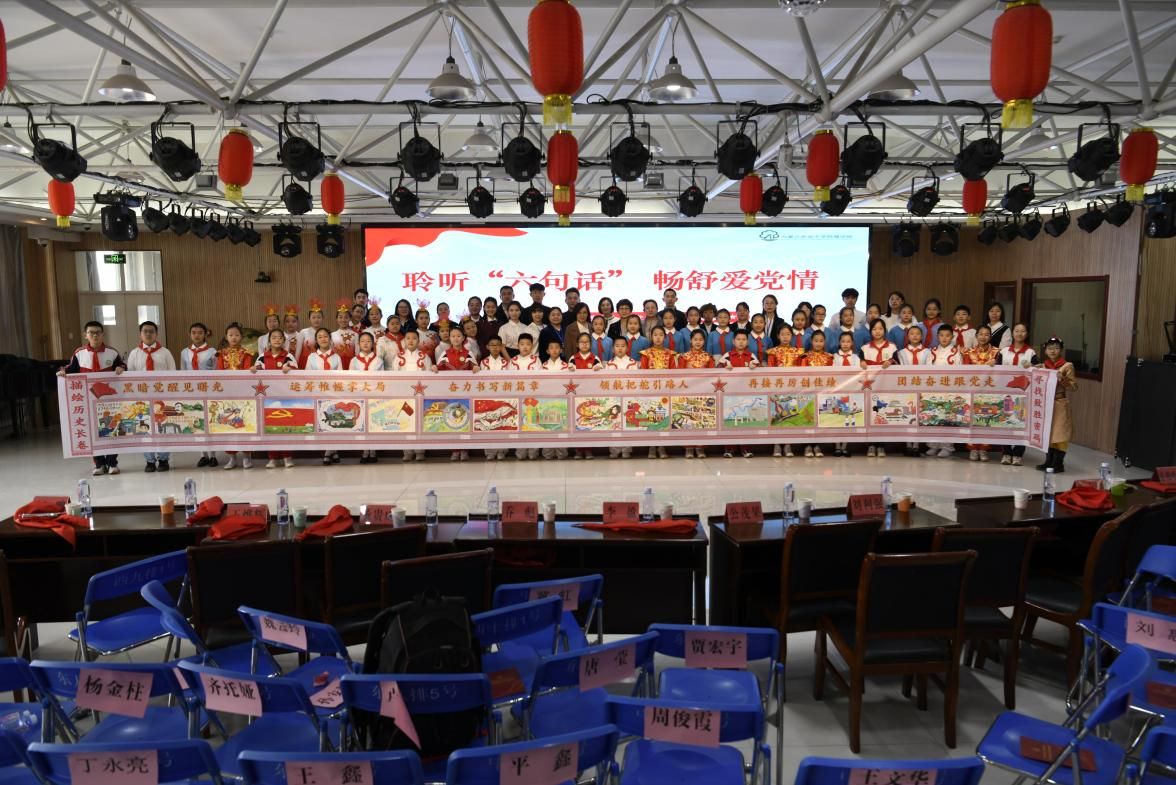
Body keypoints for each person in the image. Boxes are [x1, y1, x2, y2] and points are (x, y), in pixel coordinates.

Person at [60, 321, 127, 476]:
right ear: (86, 335)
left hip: (108, 401)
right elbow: (70, 369)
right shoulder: (79, 353)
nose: (95, 335)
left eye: (98, 332)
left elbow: (122, 366)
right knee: (92, 432)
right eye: (91, 332)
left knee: (111, 429)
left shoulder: (112, 352)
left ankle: (112, 463)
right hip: (88, 401)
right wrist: (62, 372)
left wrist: (121, 368)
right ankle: (99, 464)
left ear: (103, 334)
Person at [125, 321, 176, 473]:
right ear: (140, 334)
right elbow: (129, 377)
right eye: (145, 331)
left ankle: (164, 459)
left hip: (162, 398)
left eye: (151, 331)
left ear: (156, 334)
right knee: (144, 429)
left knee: (163, 429)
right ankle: (149, 460)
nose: (148, 334)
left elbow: (173, 374)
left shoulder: (165, 353)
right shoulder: (134, 353)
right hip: (141, 400)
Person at [251, 328, 296, 469]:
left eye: (280, 337)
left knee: (285, 427)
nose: (277, 340)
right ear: (269, 341)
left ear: (284, 340)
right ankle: (272, 458)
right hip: (267, 400)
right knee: (269, 428)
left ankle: (287, 457)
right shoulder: (262, 357)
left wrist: (291, 369)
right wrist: (253, 369)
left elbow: (297, 371)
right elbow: (256, 370)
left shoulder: (288, 356)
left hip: (285, 399)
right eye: (274, 337)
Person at [216, 323, 254, 471]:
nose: (234, 337)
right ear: (226, 337)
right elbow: (219, 372)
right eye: (231, 335)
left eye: (237, 335)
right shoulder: (221, 354)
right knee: (228, 423)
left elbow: (247, 372)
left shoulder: (247, 353)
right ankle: (231, 457)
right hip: (226, 394)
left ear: (241, 337)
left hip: (243, 393)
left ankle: (247, 456)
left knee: (244, 423)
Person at [392, 330, 434, 463]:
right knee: (405, 421)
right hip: (403, 395)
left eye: (414, 338)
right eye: (408, 338)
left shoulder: (424, 356)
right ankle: (407, 451)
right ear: (404, 341)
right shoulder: (398, 357)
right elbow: (394, 376)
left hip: (420, 396)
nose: (411, 341)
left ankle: (420, 451)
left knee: (420, 422)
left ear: (418, 341)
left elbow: (429, 377)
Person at [999, 323, 1037, 465]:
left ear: (1027, 334)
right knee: (1005, 422)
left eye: (1023, 331)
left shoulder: (1031, 353)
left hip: (1023, 394)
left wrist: (1032, 367)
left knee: (1021, 422)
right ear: (1013, 333)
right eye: (1017, 331)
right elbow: (996, 369)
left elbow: (1038, 372)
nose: (1019, 334)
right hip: (1006, 393)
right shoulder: (1003, 351)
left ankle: (1018, 454)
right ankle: (1006, 453)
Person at [437, 326, 476, 462]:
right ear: (449, 338)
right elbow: (438, 368)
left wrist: (476, 367)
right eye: (453, 336)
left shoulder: (469, 354)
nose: (456, 338)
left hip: (465, 394)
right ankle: (454, 450)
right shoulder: (445, 354)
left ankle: (465, 450)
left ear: (463, 338)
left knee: (465, 421)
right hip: (450, 395)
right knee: (451, 421)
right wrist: (434, 367)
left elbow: (475, 367)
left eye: (458, 336)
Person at [858, 318, 897, 458]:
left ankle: (881, 445)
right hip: (870, 388)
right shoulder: (864, 348)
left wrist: (891, 361)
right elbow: (859, 363)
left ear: (885, 330)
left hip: (886, 387)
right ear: (870, 331)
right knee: (870, 414)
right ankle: (871, 445)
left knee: (883, 414)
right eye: (874, 329)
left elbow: (898, 362)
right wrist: (861, 362)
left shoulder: (892, 347)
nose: (877, 331)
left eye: (880, 328)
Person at [306, 327, 344, 466]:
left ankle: (329, 451)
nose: (323, 339)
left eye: (326, 336)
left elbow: (341, 377)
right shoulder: (311, 357)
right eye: (320, 337)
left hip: (333, 394)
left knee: (333, 421)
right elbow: (307, 377)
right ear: (316, 340)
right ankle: (332, 450)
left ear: (330, 339)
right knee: (323, 422)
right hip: (318, 394)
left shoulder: (336, 357)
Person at [182, 322, 219, 468]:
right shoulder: (184, 352)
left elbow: (217, 371)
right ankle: (203, 455)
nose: (196, 335)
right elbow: (183, 372)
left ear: (205, 334)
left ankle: (213, 455)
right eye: (194, 332)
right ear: (190, 334)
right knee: (197, 423)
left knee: (210, 423)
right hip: (192, 392)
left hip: (209, 391)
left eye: (200, 333)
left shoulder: (213, 351)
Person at [1038, 336, 1076, 474]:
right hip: (1046, 404)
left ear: (1061, 350)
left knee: (1060, 434)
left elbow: (1074, 387)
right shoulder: (1043, 366)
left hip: (1060, 403)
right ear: (1045, 351)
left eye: (1056, 348)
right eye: (1050, 348)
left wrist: (1063, 379)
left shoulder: (1067, 366)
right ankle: (1048, 461)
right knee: (1048, 433)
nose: (1053, 351)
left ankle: (1058, 464)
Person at [925, 325, 964, 459]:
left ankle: (947, 446)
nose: (944, 338)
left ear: (952, 337)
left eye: (947, 335)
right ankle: (933, 445)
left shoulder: (956, 352)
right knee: (934, 417)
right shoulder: (932, 351)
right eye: (941, 335)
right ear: (937, 337)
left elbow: (959, 371)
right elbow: (927, 370)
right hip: (934, 390)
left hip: (949, 390)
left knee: (948, 418)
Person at [963, 325, 1000, 462]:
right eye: (981, 334)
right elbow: (965, 371)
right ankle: (973, 448)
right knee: (972, 419)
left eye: (986, 334)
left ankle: (984, 449)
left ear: (990, 336)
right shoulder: (969, 352)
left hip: (990, 391)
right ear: (976, 336)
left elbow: (1002, 369)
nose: (983, 337)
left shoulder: (997, 352)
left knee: (987, 419)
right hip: (973, 390)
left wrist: (996, 363)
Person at [767, 324, 805, 458]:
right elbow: (770, 370)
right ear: (778, 336)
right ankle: (776, 444)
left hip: (793, 389)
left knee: (790, 416)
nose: (785, 337)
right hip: (777, 389)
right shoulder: (772, 352)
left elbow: (801, 371)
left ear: (792, 336)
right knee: (777, 416)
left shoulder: (798, 352)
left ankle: (788, 444)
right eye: (782, 334)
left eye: (788, 334)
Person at [676, 329, 715, 459]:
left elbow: (712, 376)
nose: (698, 342)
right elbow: (679, 375)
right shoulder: (684, 357)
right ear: (690, 341)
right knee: (687, 419)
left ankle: (700, 447)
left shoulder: (708, 357)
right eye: (695, 339)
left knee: (702, 420)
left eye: (701, 339)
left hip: (704, 394)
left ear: (704, 341)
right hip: (687, 393)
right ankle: (688, 447)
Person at [719, 329, 757, 459]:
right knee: (730, 421)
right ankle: (729, 448)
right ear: (733, 341)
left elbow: (761, 374)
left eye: (744, 339)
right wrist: (724, 367)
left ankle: (745, 448)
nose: (741, 342)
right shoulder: (727, 356)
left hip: (747, 397)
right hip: (730, 396)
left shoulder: (751, 356)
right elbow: (716, 371)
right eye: (738, 339)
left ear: (747, 341)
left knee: (745, 422)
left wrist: (755, 367)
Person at [894, 325, 931, 457]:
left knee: (919, 417)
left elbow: (929, 370)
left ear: (922, 336)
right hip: (907, 388)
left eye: (917, 334)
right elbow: (901, 370)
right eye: (912, 334)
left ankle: (916, 445)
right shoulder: (901, 353)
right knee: (907, 416)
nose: (915, 336)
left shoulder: (927, 352)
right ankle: (908, 444)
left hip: (921, 388)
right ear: (908, 337)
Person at [801, 330, 833, 458]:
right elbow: (802, 375)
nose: (818, 343)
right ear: (811, 342)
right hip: (808, 393)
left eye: (821, 341)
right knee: (808, 418)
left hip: (823, 393)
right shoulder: (805, 357)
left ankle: (818, 445)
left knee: (821, 419)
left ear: (824, 342)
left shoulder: (829, 358)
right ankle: (807, 445)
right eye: (816, 341)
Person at [831, 332, 858, 458]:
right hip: (838, 392)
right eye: (843, 341)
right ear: (839, 343)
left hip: (851, 392)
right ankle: (837, 446)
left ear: (852, 343)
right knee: (837, 419)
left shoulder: (856, 358)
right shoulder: (834, 357)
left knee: (849, 418)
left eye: (848, 341)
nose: (845, 344)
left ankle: (845, 446)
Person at [296, 300, 326, 368]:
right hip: (305, 361)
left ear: (322, 318)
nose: (316, 320)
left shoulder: (325, 333)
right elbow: (298, 351)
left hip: (320, 361)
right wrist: (295, 365)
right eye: (313, 317)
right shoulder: (303, 332)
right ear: (309, 319)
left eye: (319, 317)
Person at [332, 301, 358, 367]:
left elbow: (357, 354)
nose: (343, 320)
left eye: (346, 317)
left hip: (351, 365)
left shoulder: (355, 334)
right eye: (340, 317)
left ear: (350, 319)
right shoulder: (332, 335)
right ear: (336, 319)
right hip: (336, 365)